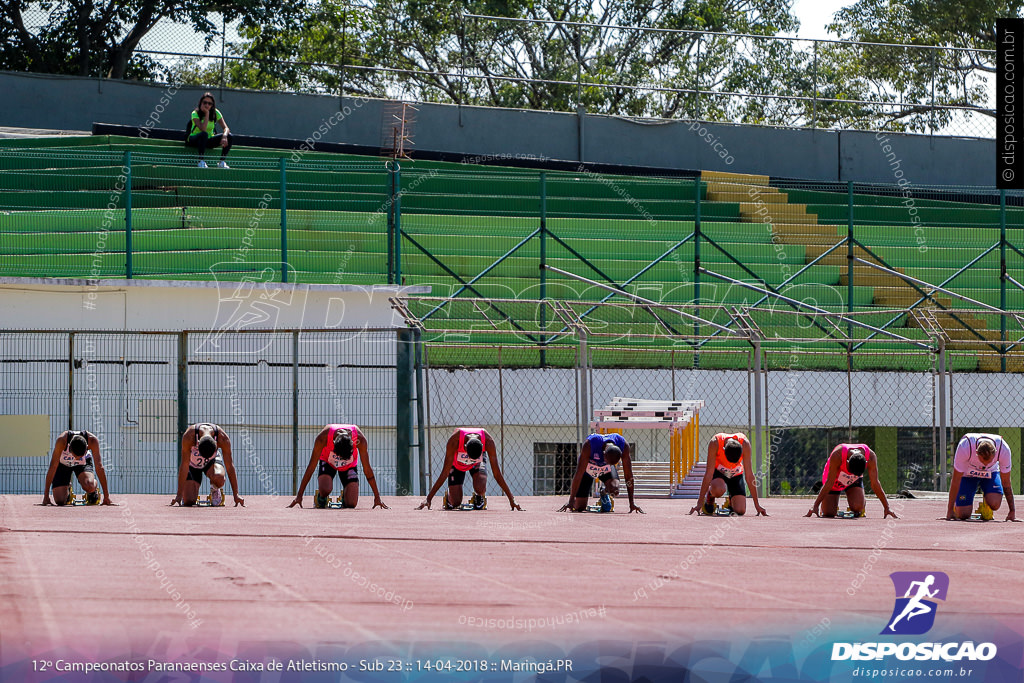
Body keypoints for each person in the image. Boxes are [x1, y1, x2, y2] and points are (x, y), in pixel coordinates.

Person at [416, 428, 521, 511]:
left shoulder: (488, 441)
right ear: (465, 447)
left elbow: (497, 473)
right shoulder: (454, 441)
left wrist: (512, 499)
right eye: (469, 457)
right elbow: (445, 472)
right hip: (457, 465)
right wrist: (429, 499)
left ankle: (478, 497)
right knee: (456, 502)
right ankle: (449, 498)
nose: (469, 460)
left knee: (481, 487)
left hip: (477, 463)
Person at [288, 424, 388, 509]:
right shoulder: (323, 438)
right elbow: (311, 467)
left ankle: (345, 497)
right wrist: (299, 496)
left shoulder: (360, 439)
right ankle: (321, 497)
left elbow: (367, 470)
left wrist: (377, 497)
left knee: (352, 503)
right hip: (328, 462)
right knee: (326, 488)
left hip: (349, 466)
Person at [804, 443, 897, 519]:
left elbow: (875, 483)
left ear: (866, 463)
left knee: (857, 507)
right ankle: (830, 505)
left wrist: (887, 507)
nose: (850, 474)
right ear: (847, 461)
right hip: (835, 479)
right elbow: (829, 483)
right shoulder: (837, 455)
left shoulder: (871, 457)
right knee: (829, 513)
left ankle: (858, 503)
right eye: (850, 471)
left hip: (853, 481)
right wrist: (815, 505)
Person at [559, 432, 644, 513]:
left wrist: (632, 503)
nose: (607, 462)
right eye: (607, 461)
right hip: (588, 468)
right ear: (603, 454)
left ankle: (604, 492)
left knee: (615, 490)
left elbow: (628, 475)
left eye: (611, 463)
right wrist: (571, 500)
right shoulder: (590, 444)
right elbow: (579, 473)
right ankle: (579, 502)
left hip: (606, 469)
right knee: (579, 507)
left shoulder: (623, 446)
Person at [688, 432, 767, 516]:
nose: (731, 465)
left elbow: (749, 475)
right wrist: (699, 502)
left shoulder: (745, 444)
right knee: (719, 489)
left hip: (736, 474)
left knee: (740, 511)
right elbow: (708, 474)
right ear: (723, 449)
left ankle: (730, 502)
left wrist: (757, 505)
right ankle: (710, 496)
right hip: (719, 474)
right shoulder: (715, 443)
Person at [945, 433, 1016, 521]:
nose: (985, 465)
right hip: (968, 475)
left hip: (991, 473)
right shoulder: (965, 447)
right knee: (963, 514)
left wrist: (1012, 511)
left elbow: (1006, 482)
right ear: (976, 453)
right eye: (982, 461)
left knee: (995, 504)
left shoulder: (1003, 449)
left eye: (989, 461)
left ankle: (986, 501)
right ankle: (958, 506)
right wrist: (950, 510)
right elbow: (956, 480)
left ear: (996, 453)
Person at [172, 423, 244, 507]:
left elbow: (229, 466)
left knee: (219, 477)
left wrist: (236, 494)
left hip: (211, 463)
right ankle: (190, 493)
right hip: (192, 464)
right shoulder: (189, 437)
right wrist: (179, 495)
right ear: (197, 443)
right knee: (189, 501)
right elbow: (184, 465)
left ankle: (215, 489)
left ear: (216, 444)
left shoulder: (222, 438)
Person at [42, 430, 114, 506]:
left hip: (82, 464)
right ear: (69, 448)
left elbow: (99, 467)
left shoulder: (92, 441)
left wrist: (106, 497)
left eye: (80, 457)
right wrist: (46, 496)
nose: (76, 459)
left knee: (89, 486)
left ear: (87, 448)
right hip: (63, 464)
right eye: (75, 456)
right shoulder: (62, 440)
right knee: (60, 501)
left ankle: (92, 489)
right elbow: (53, 466)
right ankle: (68, 490)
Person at [185, 92, 231, 168]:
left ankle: (221, 162)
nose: (207, 105)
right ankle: (201, 161)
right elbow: (203, 129)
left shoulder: (216, 112)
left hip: (208, 140)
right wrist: (207, 113)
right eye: (205, 103)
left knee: (230, 136)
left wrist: (224, 136)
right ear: (201, 103)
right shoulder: (195, 113)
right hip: (195, 139)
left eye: (210, 104)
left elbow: (226, 128)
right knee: (204, 134)